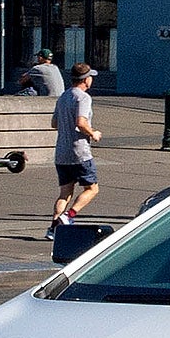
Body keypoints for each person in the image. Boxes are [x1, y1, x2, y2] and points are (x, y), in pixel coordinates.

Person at [46, 62, 101, 239]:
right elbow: (81, 122)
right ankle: (68, 216)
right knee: (92, 188)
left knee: (65, 192)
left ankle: (54, 228)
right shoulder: (83, 98)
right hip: (80, 152)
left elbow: (54, 123)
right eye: (90, 77)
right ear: (85, 80)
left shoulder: (63, 97)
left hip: (62, 152)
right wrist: (93, 133)